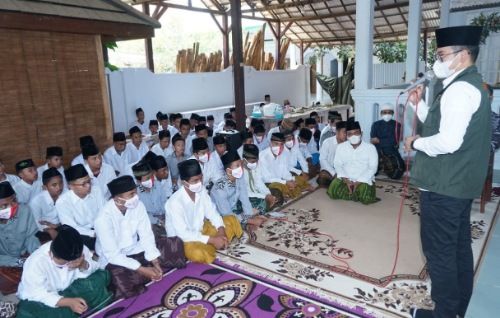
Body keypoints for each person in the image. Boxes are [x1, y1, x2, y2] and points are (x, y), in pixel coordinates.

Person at [403, 26, 490, 318]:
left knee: (439, 252)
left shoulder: (460, 89)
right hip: (458, 183)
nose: (436, 62)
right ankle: (456, 308)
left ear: (463, 55)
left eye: (442, 55)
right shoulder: (465, 84)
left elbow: (448, 141)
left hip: (444, 186)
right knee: (457, 248)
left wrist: (416, 142)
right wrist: (421, 105)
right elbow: (443, 124)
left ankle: (444, 313)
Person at [95, 176, 185, 299]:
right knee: (119, 277)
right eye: (131, 194)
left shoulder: (138, 205)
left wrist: (155, 261)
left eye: (135, 192)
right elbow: (113, 255)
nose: (135, 197)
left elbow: (146, 235)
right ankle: (144, 273)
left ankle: (149, 270)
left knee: (175, 244)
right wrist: (141, 269)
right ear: (118, 199)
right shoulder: (103, 219)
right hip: (116, 259)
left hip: (136, 249)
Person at [16, 225, 112, 318]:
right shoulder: (36, 262)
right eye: (65, 263)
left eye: (72, 261)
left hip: (71, 287)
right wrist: (68, 302)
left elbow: (95, 267)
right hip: (44, 296)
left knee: (100, 277)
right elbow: (36, 293)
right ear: (51, 254)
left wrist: (82, 264)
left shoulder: (77, 249)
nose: (69, 265)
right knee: (29, 311)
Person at [164, 159, 243, 264]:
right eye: (195, 180)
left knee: (231, 220)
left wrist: (221, 231)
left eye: (201, 178)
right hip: (186, 240)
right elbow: (183, 234)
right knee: (198, 252)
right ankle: (215, 245)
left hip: (202, 230)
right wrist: (212, 240)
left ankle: (218, 243)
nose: (199, 183)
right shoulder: (174, 202)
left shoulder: (201, 190)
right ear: (184, 182)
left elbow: (212, 213)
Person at [328, 120, 378, 205]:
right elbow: (337, 164)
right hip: (346, 178)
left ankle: (355, 192)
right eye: (350, 134)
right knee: (333, 190)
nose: (353, 136)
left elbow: (373, 168)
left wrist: (359, 182)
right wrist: (346, 180)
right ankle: (353, 193)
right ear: (347, 136)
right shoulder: (341, 147)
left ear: (361, 133)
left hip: (363, 179)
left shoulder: (370, 148)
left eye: (356, 133)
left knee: (365, 197)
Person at [211, 151, 267, 228]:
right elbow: (227, 214)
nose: (241, 168)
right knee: (229, 223)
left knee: (260, 203)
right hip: (222, 214)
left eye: (241, 164)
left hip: (234, 207)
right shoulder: (219, 189)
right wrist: (252, 221)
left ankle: (244, 221)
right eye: (237, 165)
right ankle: (243, 223)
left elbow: (244, 198)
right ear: (228, 171)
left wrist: (250, 217)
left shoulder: (239, 177)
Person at [56, 164, 105, 250]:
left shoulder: (96, 190)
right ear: (70, 186)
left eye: (89, 181)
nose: (88, 186)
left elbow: (105, 212)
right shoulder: (63, 202)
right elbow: (72, 228)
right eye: (83, 184)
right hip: (82, 234)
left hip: (100, 228)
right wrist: (95, 233)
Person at [0, 182, 39, 267]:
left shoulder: (24, 211)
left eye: (14, 200)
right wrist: (18, 262)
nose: (12, 206)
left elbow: (31, 237)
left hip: (24, 256)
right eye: (4, 206)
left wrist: (38, 254)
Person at [259, 133, 302, 201]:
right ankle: (283, 194)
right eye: (276, 144)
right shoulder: (263, 157)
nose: (279, 147)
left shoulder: (283, 153)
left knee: (298, 180)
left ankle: (286, 193)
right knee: (277, 188)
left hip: (280, 180)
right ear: (270, 143)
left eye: (281, 144)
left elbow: (284, 171)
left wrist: (290, 180)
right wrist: (285, 182)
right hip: (268, 183)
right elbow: (267, 179)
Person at [370, 103, 405, 180]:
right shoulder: (375, 124)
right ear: (381, 113)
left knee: (398, 173)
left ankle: (384, 167)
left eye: (389, 112)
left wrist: (379, 140)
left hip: (391, 152)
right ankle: (380, 166)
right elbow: (372, 140)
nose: (387, 114)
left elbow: (395, 141)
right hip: (378, 151)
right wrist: (386, 141)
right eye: (384, 112)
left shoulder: (397, 125)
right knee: (371, 172)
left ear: (392, 113)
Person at [29, 168, 63, 241]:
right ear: (45, 187)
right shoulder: (36, 201)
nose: (59, 187)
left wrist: (58, 225)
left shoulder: (66, 193)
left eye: (61, 183)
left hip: (62, 225)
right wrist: (49, 230)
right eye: (54, 185)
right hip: (44, 229)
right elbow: (36, 223)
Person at [241, 144, 277, 213]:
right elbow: (245, 193)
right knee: (260, 203)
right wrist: (264, 197)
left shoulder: (254, 167)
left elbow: (259, 183)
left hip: (258, 194)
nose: (256, 163)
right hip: (246, 197)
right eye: (253, 162)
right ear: (244, 160)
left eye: (257, 161)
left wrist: (268, 194)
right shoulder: (239, 172)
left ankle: (266, 205)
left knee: (277, 194)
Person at [132, 160, 165, 225]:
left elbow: (165, 202)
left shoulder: (157, 184)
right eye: (147, 178)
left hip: (164, 217)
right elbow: (142, 214)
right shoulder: (136, 194)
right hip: (148, 222)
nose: (151, 179)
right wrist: (157, 221)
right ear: (138, 181)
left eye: (151, 176)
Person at [318, 121, 347, 187]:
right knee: (322, 177)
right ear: (337, 132)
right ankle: (338, 184)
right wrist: (334, 173)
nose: (346, 135)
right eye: (344, 132)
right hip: (330, 172)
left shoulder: (348, 144)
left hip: (343, 172)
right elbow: (322, 160)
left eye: (347, 133)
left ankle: (338, 184)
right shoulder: (327, 142)